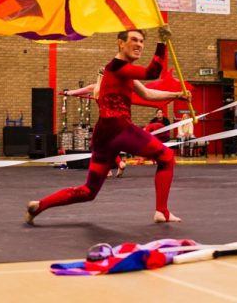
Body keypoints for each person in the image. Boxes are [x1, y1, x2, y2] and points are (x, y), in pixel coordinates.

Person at [25, 27, 190, 225]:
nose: (139, 45)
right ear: (121, 43)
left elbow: (148, 94)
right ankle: (161, 212)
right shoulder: (117, 66)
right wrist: (162, 43)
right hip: (119, 128)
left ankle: (39, 205)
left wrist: (177, 95)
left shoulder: (122, 71)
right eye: (134, 40)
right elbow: (152, 72)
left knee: (89, 191)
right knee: (166, 156)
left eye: (142, 42)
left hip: (104, 134)